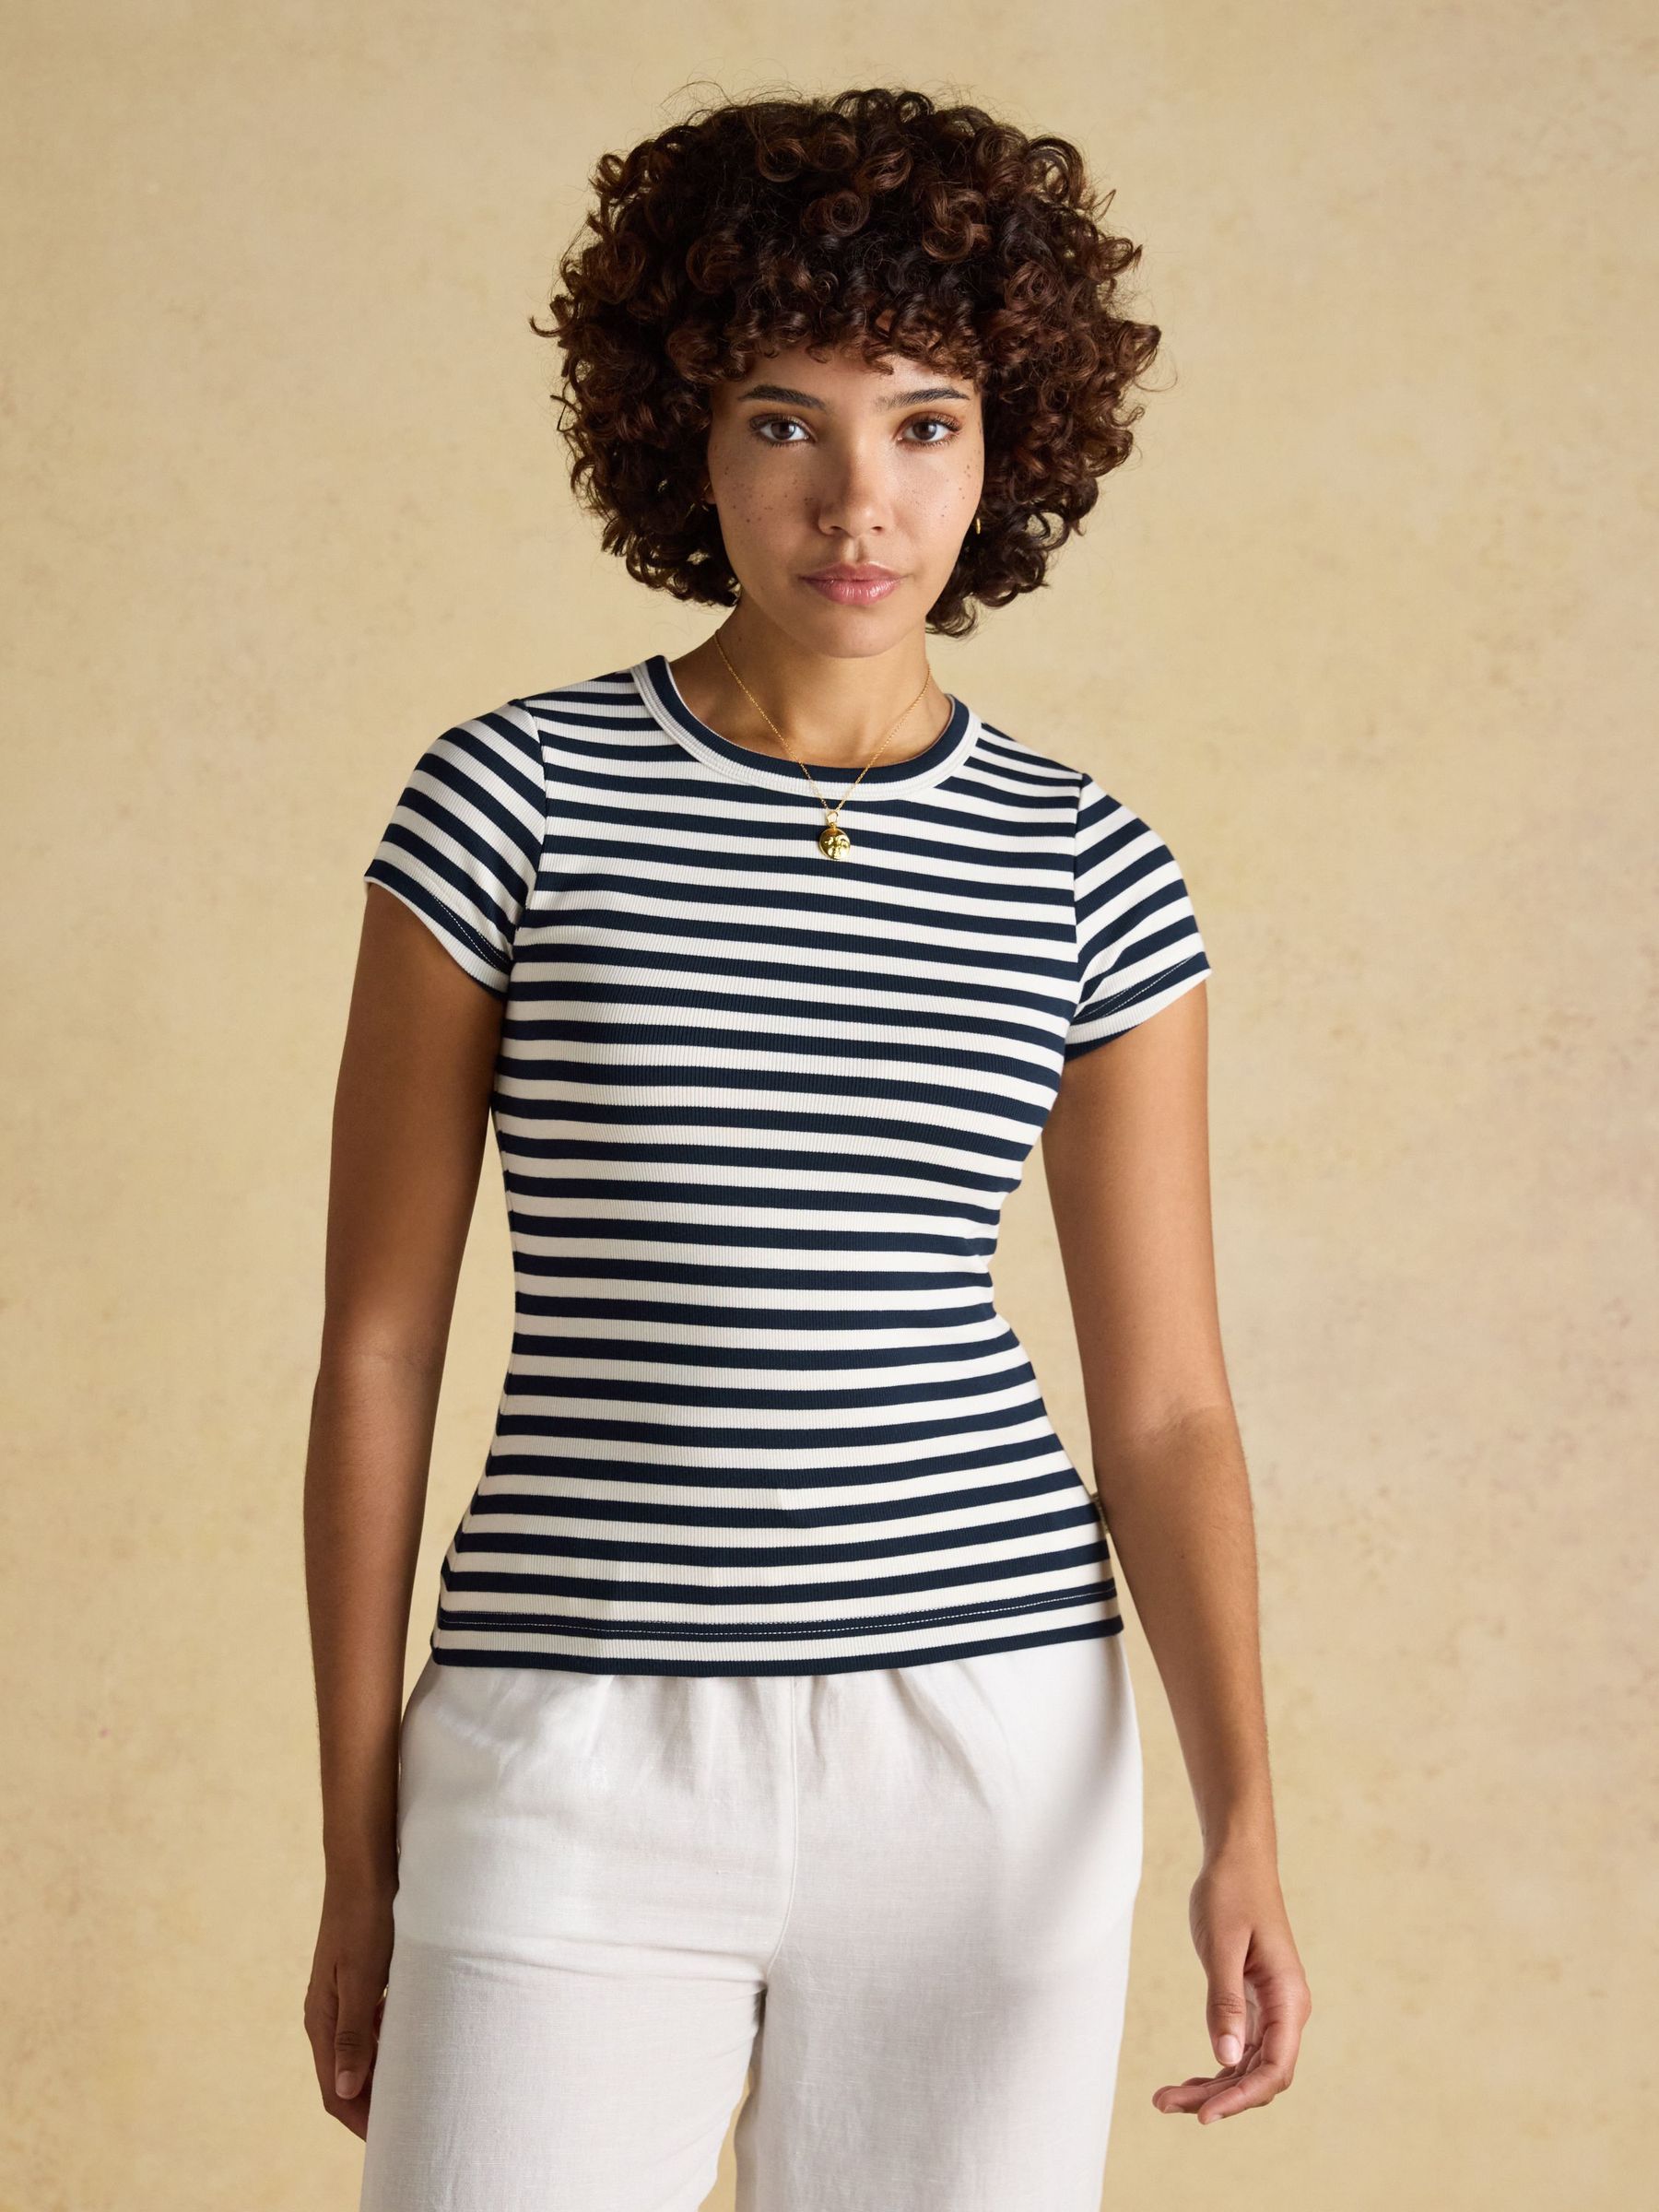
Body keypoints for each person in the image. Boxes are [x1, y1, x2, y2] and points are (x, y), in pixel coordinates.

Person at [303, 84, 1312, 2212]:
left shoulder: (1091, 869)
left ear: (1007, 446)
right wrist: (355, 1844)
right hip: (569, 1743)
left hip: (992, 1760)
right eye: (788, 422)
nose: (860, 500)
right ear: (682, 431)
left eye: (924, 425)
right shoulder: (512, 804)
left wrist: (1246, 1821)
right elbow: (380, 1351)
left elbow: (1166, 1405)